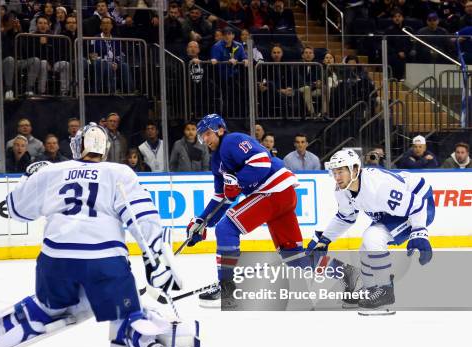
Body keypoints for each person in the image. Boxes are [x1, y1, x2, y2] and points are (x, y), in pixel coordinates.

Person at [0, 123, 200, 347]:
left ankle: (13, 326)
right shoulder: (118, 173)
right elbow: (141, 218)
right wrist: (156, 260)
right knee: (124, 310)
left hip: (54, 262)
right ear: (106, 148)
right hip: (103, 261)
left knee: (55, 305)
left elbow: (16, 209)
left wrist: (28, 176)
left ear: (77, 146)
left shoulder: (51, 172)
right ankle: (143, 338)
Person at [186, 114, 302, 307]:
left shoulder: (232, 140)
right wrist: (202, 221)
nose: (205, 140)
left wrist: (238, 183)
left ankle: (227, 290)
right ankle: (345, 275)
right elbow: (221, 196)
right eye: (201, 137)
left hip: (273, 190)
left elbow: (261, 162)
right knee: (295, 257)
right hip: (282, 196)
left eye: (207, 134)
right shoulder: (216, 161)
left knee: (226, 229)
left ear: (220, 130)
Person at [307, 149, 435, 313]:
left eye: (340, 172)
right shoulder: (342, 189)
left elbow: (417, 205)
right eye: (334, 172)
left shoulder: (378, 189)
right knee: (365, 247)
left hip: (421, 204)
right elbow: (346, 217)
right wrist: (324, 240)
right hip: (395, 209)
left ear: (354, 170)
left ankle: (385, 291)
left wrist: (420, 232)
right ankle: (371, 289)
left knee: (372, 237)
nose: (336, 177)